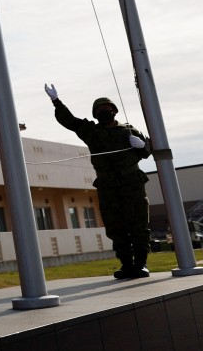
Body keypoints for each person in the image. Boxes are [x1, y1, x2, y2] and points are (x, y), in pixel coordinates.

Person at [45, 84, 152, 279]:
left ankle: (141, 264)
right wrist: (56, 101)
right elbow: (69, 121)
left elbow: (145, 153)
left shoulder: (128, 130)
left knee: (138, 224)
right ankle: (127, 264)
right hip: (108, 185)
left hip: (131, 183)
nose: (104, 112)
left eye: (107, 109)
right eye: (99, 110)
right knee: (115, 226)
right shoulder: (91, 131)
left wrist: (142, 145)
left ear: (114, 111)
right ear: (95, 114)